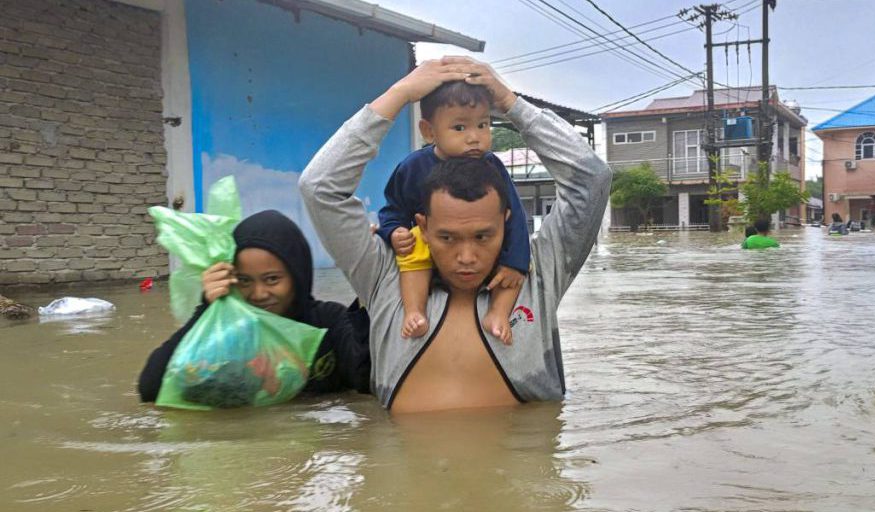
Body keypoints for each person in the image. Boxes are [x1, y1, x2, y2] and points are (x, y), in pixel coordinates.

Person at [298, 56, 611, 413]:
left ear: (507, 221)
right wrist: (399, 95)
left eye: (483, 236)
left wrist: (510, 103)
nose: (466, 257)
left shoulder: (534, 277)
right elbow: (319, 187)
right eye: (447, 238)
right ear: (424, 226)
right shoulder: (387, 276)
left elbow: (592, 180)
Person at [137, 210, 372, 403]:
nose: (258, 294)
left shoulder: (327, 324)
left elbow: (367, 377)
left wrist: (369, 286)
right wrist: (206, 310)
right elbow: (151, 388)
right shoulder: (229, 333)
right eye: (245, 281)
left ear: (297, 276)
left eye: (272, 279)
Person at [376, 81, 530, 343]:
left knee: (512, 272)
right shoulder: (413, 167)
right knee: (414, 250)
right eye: (460, 127)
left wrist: (515, 262)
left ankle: (498, 313)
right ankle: (414, 312)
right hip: (429, 247)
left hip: (487, 255)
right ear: (428, 131)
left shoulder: (492, 167)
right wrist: (392, 232)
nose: (474, 137)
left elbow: (514, 216)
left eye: (482, 125)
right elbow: (393, 208)